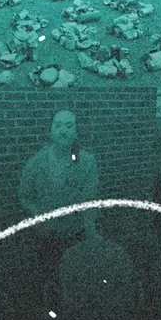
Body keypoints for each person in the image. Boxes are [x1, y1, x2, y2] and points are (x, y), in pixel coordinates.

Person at [17, 109, 99, 306]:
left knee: (78, 285)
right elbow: (24, 197)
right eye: (58, 125)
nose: (63, 131)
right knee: (49, 284)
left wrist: (90, 234)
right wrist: (39, 218)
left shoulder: (87, 162)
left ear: (77, 132)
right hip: (46, 238)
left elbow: (89, 202)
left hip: (76, 236)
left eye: (69, 126)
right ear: (50, 130)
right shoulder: (36, 163)